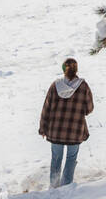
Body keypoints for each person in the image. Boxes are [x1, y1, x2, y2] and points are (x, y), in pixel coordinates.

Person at [38, 56, 94, 188]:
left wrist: (42, 128)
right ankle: (66, 187)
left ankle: (54, 186)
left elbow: (46, 109)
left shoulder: (55, 85)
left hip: (55, 132)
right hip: (74, 131)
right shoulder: (83, 86)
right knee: (71, 159)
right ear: (76, 70)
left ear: (63, 70)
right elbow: (89, 108)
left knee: (56, 159)